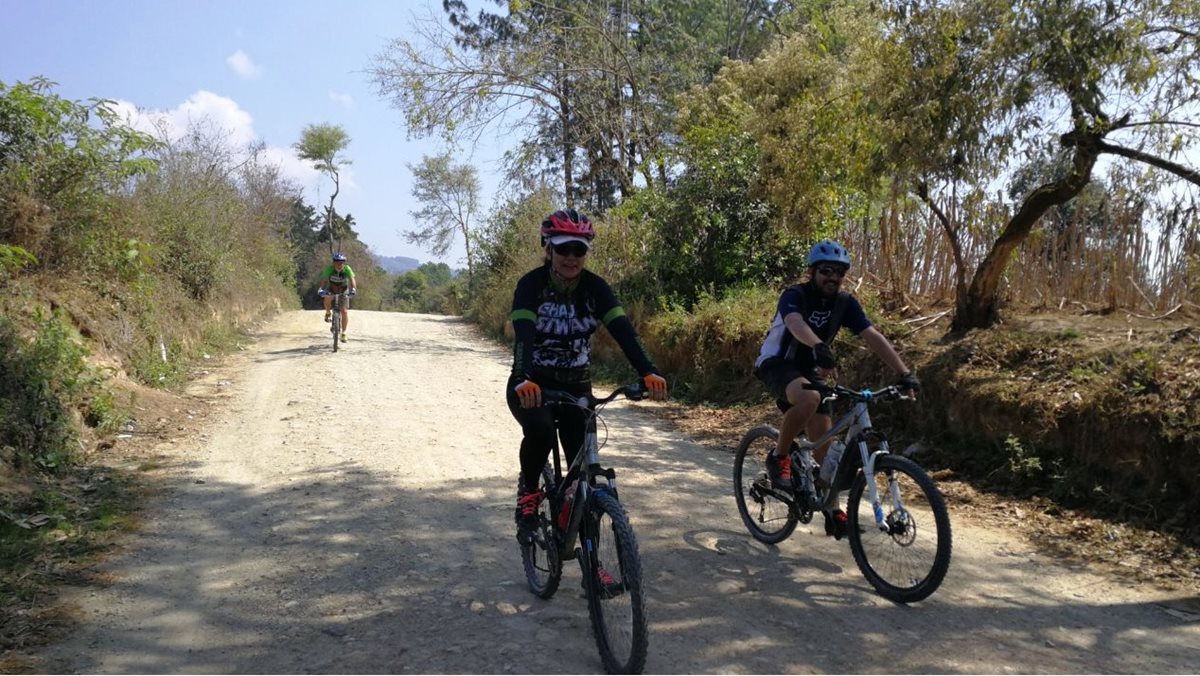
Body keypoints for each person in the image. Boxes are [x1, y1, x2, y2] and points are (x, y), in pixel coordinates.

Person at [509, 208, 668, 542]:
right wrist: (523, 376)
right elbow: (523, 333)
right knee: (539, 432)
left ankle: (592, 566)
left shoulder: (595, 288)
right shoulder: (531, 285)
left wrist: (648, 371)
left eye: (579, 250)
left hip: (576, 386)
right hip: (532, 383)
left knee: (582, 473)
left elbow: (624, 331)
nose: (571, 257)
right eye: (564, 248)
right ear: (548, 248)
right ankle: (528, 494)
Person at [753, 239, 920, 538]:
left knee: (825, 449)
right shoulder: (796, 294)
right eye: (826, 270)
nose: (833, 277)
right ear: (812, 271)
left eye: (839, 272)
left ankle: (831, 507)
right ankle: (779, 456)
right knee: (808, 397)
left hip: (811, 367)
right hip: (777, 362)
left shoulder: (845, 304)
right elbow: (793, 323)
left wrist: (904, 372)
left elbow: (872, 336)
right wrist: (818, 345)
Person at [318, 252, 357, 342]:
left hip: (343, 290)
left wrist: (353, 289)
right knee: (327, 297)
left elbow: (352, 280)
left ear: (344, 263)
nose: (339, 264)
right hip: (331, 289)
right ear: (333, 262)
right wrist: (321, 289)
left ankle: (344, 333)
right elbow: (323, 280)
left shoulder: (347, 269)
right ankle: (328, 312)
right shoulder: (329, 269)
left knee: (344, 311)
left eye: (341, 262)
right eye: (337, 262)